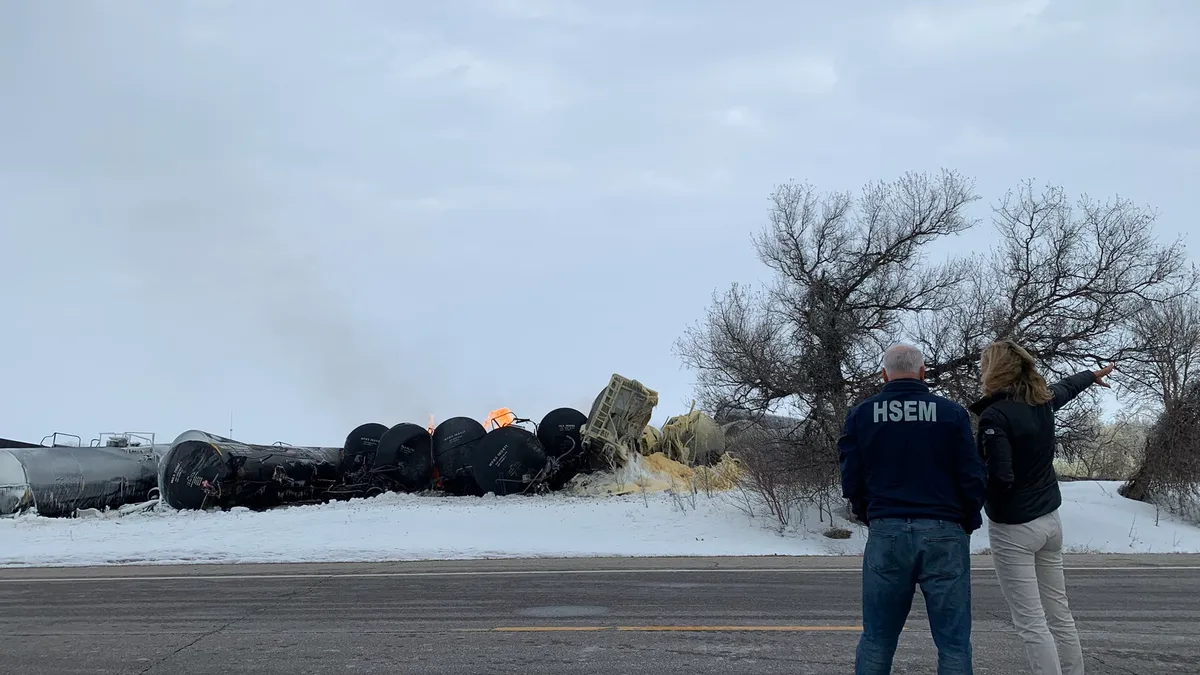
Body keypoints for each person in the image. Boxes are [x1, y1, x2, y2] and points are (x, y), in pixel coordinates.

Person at [840, 343, 988, 675]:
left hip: (887, 531)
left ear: (884, 375)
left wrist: (870, 513)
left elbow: (851, 478)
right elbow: (972, 474)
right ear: (923, 373)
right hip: (945, 530)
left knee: (877, 638)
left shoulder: (862, 414)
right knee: (953, 642)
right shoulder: (951, 414)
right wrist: (967, 517)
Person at [969, 340, 1115, 675]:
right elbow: (1065, 388)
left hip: (1015, 528)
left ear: (995, 370)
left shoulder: (996, 415)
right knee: (1059, 613)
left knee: (1032, 623)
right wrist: (1091, 375)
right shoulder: (1041, 401)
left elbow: (1001, 477)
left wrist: (970, 499)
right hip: (1050, 522)